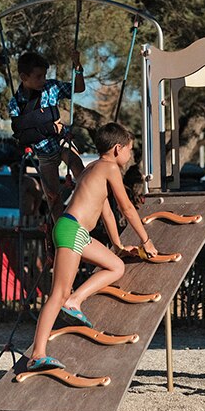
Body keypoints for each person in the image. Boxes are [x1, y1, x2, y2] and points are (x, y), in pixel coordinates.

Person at [26, 122, 159, 371]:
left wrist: (118, 245)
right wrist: (146, 240)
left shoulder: (92, 170)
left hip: (74, 231)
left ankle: (75, 301)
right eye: (130, 150)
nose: (130, 156)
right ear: (118, 149)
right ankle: (38, 353)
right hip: (73, 230)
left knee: (115, 265)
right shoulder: (109, 168)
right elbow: (127, 208)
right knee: (58, 294)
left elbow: (107, 212)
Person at [8, 50, 86, 216]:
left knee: (82, 175)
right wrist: (48, 128)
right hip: (44, 152)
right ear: (24, 77)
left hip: (61, 142)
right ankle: (58, 234)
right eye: (38, 76)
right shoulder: (16, 103)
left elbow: (78, 88)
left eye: (44, 75)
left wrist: (77, 67)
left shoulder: (52, 87)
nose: (43, 80)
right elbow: (21, 133)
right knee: (53, 198)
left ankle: (85, 210)